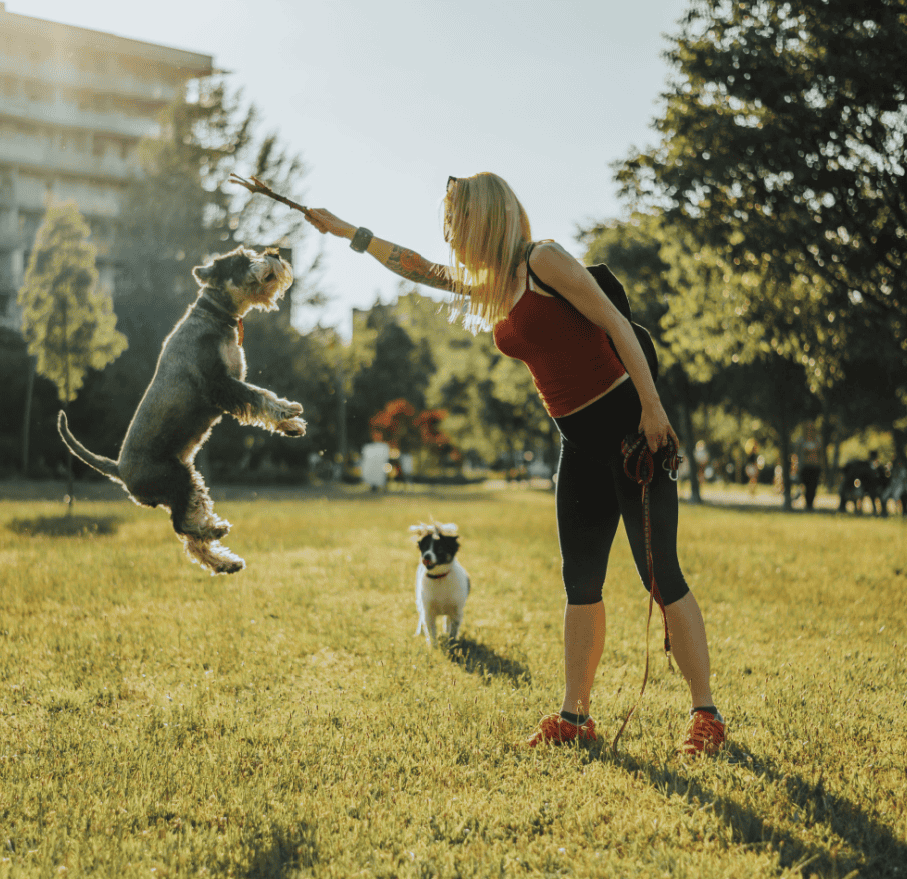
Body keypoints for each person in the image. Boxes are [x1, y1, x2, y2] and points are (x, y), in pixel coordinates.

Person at [305, 172, 725, 756]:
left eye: (458, 223)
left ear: (487, 218)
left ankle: (707, 717)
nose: (452, 235)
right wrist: (347, 231)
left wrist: (653, 410)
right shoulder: (494, 285)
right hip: (577, 443)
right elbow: (418, 267)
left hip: (628, 429)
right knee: (580, 583)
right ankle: (575, 717)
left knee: (660, 575)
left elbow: (614, 322)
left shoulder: (543, 260)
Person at [798, 424, 822, 511]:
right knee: (806, 486)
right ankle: (807, 504)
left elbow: (819, 453)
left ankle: (810, 504)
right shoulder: (802, 441)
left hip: (815, 467)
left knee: (813, 487)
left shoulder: (817, 440)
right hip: (805, 467)